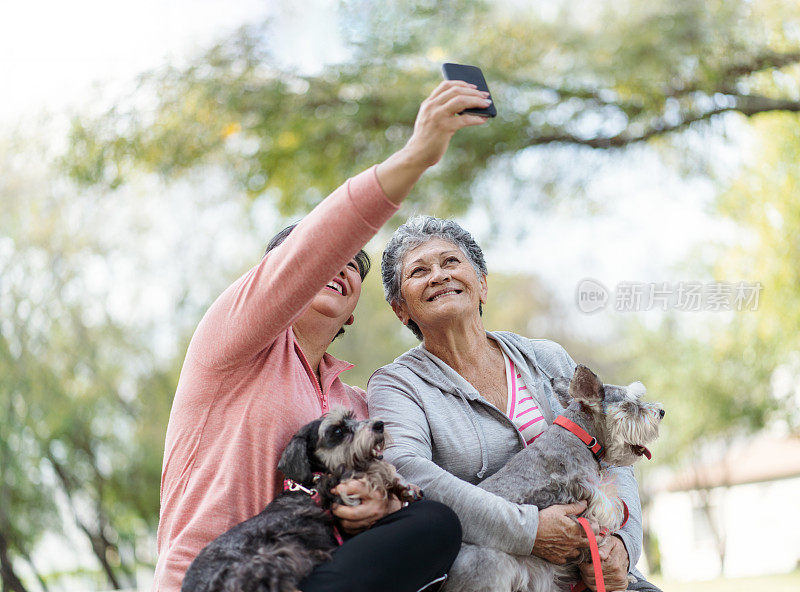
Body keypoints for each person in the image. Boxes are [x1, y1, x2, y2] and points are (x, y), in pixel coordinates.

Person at [153, 83, 495, 592]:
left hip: (309, 578)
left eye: (356, 264)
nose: (340, 262)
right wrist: (416, 155)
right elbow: (319, 244)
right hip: (211, 580)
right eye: (321, 256)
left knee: (433, 524)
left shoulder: (360, 404)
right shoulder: (228, 347)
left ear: (354, 313)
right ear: (276, 282)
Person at [367, 216, 663, 592]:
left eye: (451, 262)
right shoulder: (398, 384)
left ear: (483, 285)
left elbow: (614, 450)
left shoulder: (545, 358)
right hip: (495, 577)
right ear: (400, 309)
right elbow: (407, 472)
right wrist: (529, 530)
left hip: (591, 575)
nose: (439, 275)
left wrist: (623, 546)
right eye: (419, 271)